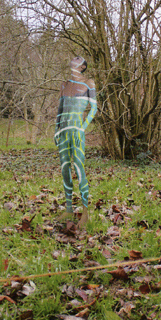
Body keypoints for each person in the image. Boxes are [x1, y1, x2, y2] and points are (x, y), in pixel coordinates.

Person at [54, 56, 98, 229]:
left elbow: (93, 108)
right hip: (63, 132)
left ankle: (86, 212)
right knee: (65, 167)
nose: (74, 60)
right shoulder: (64, 85)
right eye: (73, 58)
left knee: (79, 168)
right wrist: (56, 130)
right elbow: (59, 109)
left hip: (77, 132)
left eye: (79, 59)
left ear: (83, 66)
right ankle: (69, 208)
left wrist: (83, 127)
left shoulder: (89, 83)